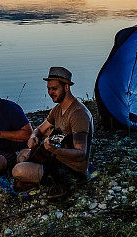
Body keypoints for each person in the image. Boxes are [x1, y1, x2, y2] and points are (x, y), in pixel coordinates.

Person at [12, 67, 93, 196]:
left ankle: (45, 183)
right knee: (22, 154)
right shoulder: (57, 109)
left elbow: (81, 153)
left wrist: (54, 150)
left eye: (54, 89)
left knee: (18, 171)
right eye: (48, 89)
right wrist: (33, 137)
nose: (50, 92)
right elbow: (39, 129)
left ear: (66, 87)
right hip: (54, 159)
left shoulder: (78, 114)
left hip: (70, 169)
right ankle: (35, 181)